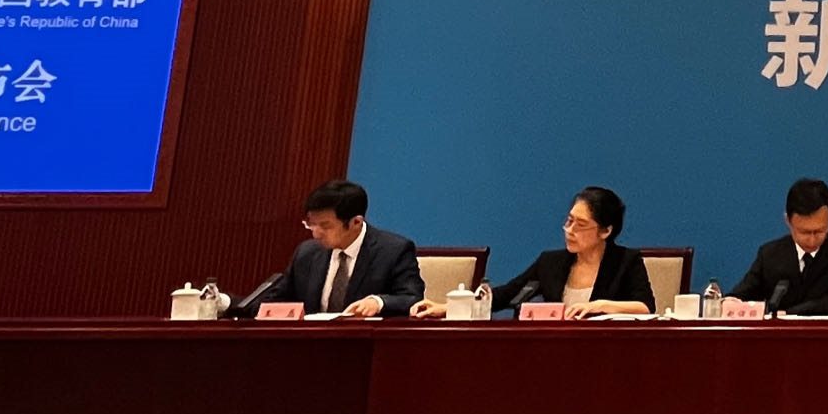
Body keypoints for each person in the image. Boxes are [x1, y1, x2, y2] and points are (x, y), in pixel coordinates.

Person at [412, 186, 654, 320]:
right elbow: (506, 294)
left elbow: (646, 308)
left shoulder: (626, 261)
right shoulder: (551, 262)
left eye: (580, 225)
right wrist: (448, 307)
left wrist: (600, 306)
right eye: (569, 221)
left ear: (605, 231)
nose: (569, 231)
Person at [231, 179, 423, 318]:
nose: (316, 234)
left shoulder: (393, 250)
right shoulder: (306, 253)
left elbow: (413, 298)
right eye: (311, 224)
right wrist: (227, 302)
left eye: (325, 226)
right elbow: (273, 302)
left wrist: (379, 302)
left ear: (356, 222)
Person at [730, 177, 828, 316]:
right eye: (804, 232)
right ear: (788, 221)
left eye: (820, 231)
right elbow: (741, 295)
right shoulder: (769, 254)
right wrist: (729, 302)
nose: (812, 240)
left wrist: (788, 313)